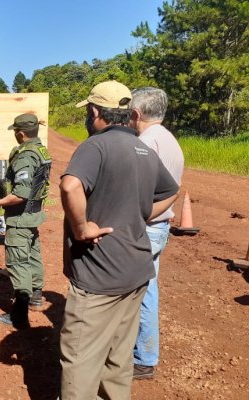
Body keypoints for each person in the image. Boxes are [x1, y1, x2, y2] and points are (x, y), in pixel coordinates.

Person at [59, 81, 179, 399]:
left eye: (88, 111)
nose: (88, 117)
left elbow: (71, 187)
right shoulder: (143, 148)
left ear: (96, 112)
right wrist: (139, 216)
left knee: (80, 360)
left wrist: (82, 228)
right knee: (118, 357)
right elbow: (171, 191)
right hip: (136, 270)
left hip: (100, 275)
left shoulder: (96, 145)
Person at [129, 87, 184, 379]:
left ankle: (143, 357)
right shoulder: (169, 139)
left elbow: (138, 191)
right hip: (159, 226)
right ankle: (144, 354)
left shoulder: (146, 142)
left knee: (140, 291)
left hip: (146, 225)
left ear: (136, 114)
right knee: (148, 289)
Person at [0, 114, 52, 329]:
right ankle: (36, 298)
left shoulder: (26, 155)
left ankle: (19, 315)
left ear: (20, 133)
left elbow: (20, 194)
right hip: (33, 215)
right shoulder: (41, 150)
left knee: (18, 263)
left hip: (20, 216)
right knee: (33, 256)